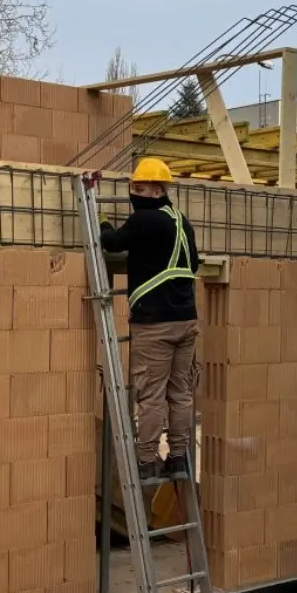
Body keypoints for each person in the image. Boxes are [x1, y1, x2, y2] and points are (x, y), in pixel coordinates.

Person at [99, 157, 200, 487]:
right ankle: (178, 458)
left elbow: (113, 242)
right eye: (133, 188)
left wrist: (102, 224)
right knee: (180, 394)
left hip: (154, 324)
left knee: (151, 396)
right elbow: (194, 263)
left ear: (158, 190)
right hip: (186, 320)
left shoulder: (144, 220)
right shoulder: (181, 221)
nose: (135, 193)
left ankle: (145, 462)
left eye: (141, 188)